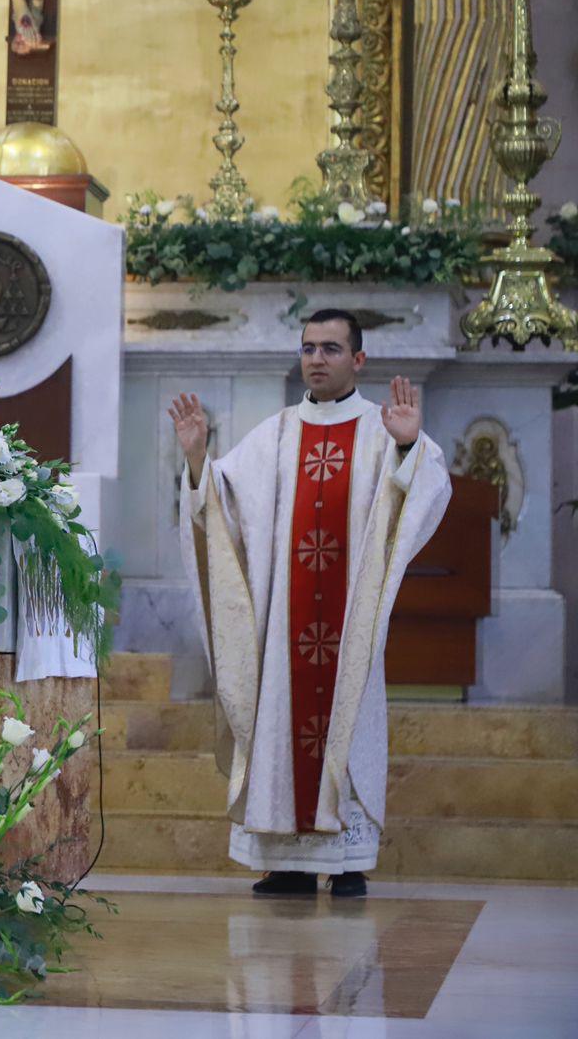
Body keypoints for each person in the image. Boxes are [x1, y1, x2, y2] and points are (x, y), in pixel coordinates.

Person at [169, 308, 451, 898]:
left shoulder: (382, 428)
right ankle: (288, 862)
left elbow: (425, 493)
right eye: (308, 348)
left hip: (347, 621)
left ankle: (347, 861)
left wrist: (405, 450)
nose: (316, 360)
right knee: (281, 717)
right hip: (285, 623)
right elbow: (220, 503)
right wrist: (197, 458)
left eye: (330, 348)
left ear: (358, 359)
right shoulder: (275, 434)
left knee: (345, 720)